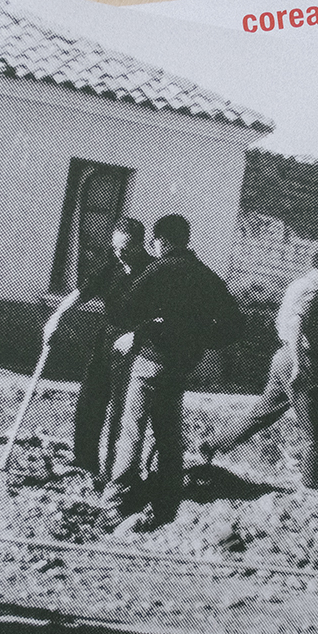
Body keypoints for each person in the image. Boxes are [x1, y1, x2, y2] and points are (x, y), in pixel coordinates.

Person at [102, 214, 243, 527]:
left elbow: (121, 310)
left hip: (151, 361)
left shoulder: (158, 270)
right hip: (182, 364)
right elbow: (235, 324)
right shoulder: (206, 276)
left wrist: (142, 330)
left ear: (161, 241)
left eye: (155, 241)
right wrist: (201, 339)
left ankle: (115, 502)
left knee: (133, 429)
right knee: (168, 432)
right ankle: (167, 499)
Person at [201, 247, 318, 490]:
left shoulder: (298, 284)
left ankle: (211, 444)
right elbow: (296, 322)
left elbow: (286, 321)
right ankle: (311, 488)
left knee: (261, 414)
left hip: (283, 357)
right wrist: (299, 363)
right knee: (317, 430)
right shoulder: (313, 290)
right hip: (297, 361)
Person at [43, 217, 152, 476]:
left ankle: (114, 472)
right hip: (107, 341)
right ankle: (85, 461)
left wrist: (138, 335)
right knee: (89, 401)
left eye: (125, 249)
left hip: (135, 346)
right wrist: (57, 316)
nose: (119, 254)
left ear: (140, 246)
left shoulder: (152, 272)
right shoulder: (112, 266)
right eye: (115, 248)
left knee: (121, 411)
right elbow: (83, 291)